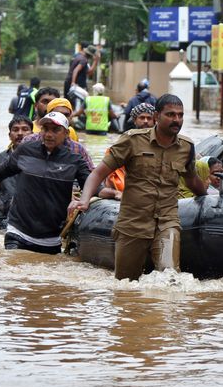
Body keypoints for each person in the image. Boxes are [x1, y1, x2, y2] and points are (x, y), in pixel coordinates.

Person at [68, 94, 206, 280]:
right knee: (126, 283)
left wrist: (209, 198)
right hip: (133, 223)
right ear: (157, 116)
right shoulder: (132, 140)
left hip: (167, 221)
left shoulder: (186, 147)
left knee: (170, 277)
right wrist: (84, 201)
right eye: (171, 114)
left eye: (180, 115)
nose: (177, 120)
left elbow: (192, 180)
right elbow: (98, 173)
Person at [0, 112, 91, 254]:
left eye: (55, 130)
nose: (49, 134)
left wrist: (110, 194)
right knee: (13, 270)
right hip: (17, 233)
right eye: (45, 129)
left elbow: (93, 185)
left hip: (51, 239)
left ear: (66, 133)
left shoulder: (75, 161)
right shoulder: (25, 151)